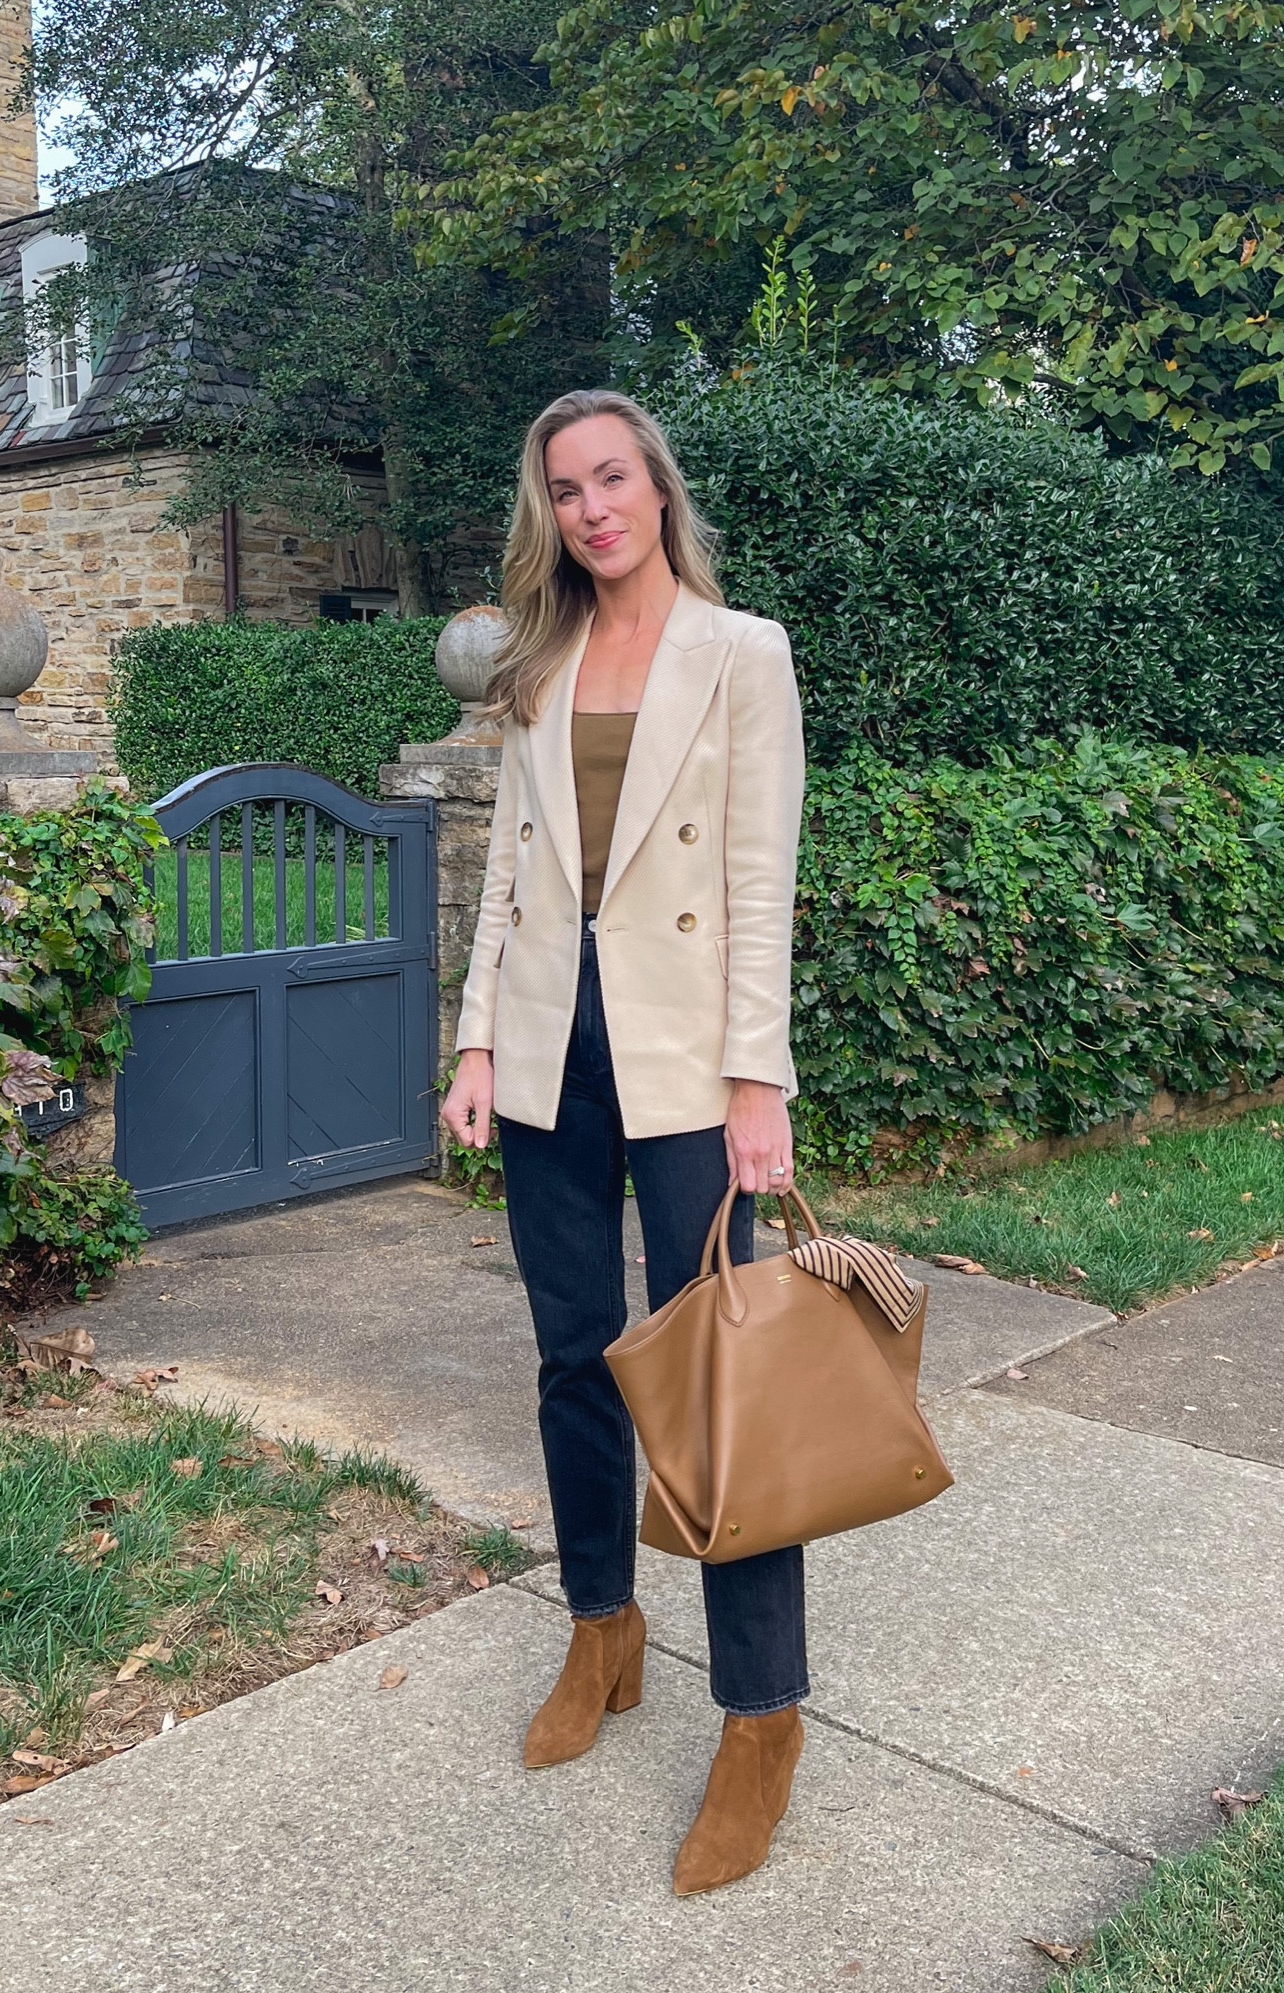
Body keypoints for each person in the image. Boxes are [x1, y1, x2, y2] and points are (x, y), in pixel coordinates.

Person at [439, 388, 806, 1896]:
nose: (592, 508)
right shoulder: (538, 669)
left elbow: (762, 874)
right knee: (573, 1351)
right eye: (564, 491)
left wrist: (758, 1081)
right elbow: (515, 879)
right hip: (546, 1052)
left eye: (612, 479)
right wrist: (472, 1042)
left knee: (725, 1382)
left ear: (657, 487)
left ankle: (761, 1720)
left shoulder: (744, 655)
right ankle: (604, 1624)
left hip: (688, 1064)